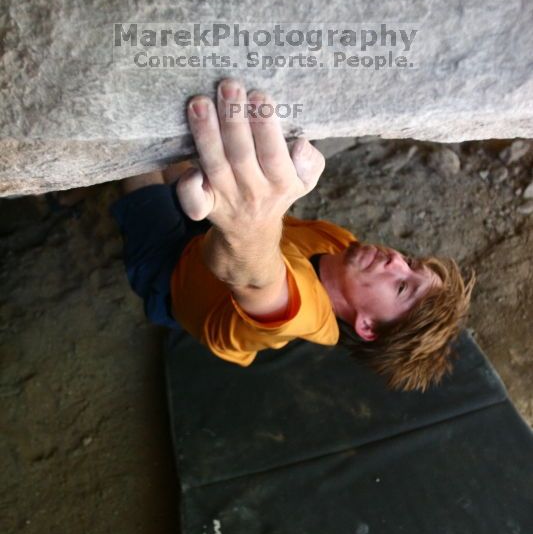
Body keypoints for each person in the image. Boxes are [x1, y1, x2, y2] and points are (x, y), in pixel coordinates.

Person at [111, 78, 475, 392]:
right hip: (207, 234)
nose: (397, 260)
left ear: (366, 325)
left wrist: (248, 226)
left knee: (139, 161)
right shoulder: (342, 246)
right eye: (411, 264)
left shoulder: (298, 315)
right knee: (176, 155)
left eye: (401, 287)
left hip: (171, 277)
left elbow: (254, 278)